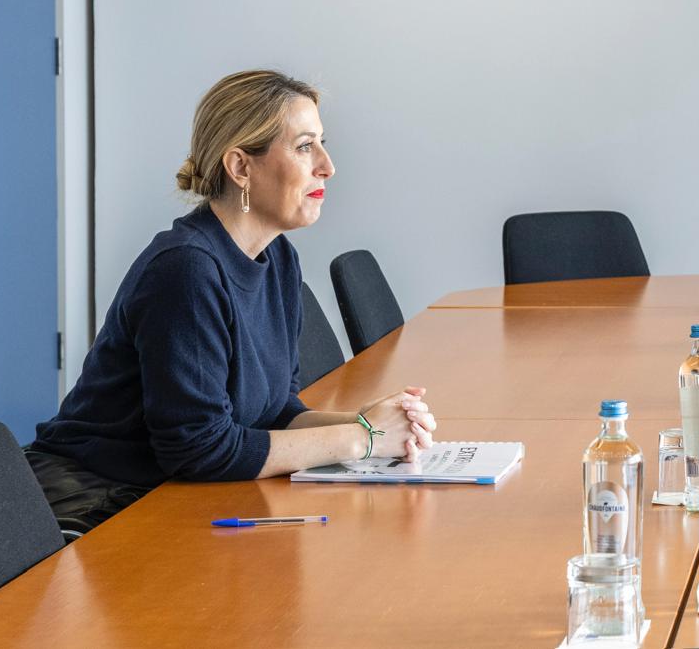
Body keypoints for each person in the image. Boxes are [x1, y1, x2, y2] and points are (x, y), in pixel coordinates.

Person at [27, 70, 436, 535]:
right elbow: (200, 449)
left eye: (322, 143)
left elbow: (274, 411)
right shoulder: (186, 270)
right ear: (241, 167)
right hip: (96, 503)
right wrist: (362, 438)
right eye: (304, 147)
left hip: (173, 492)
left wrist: (374, 424)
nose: (327, 166)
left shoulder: (277, 256)